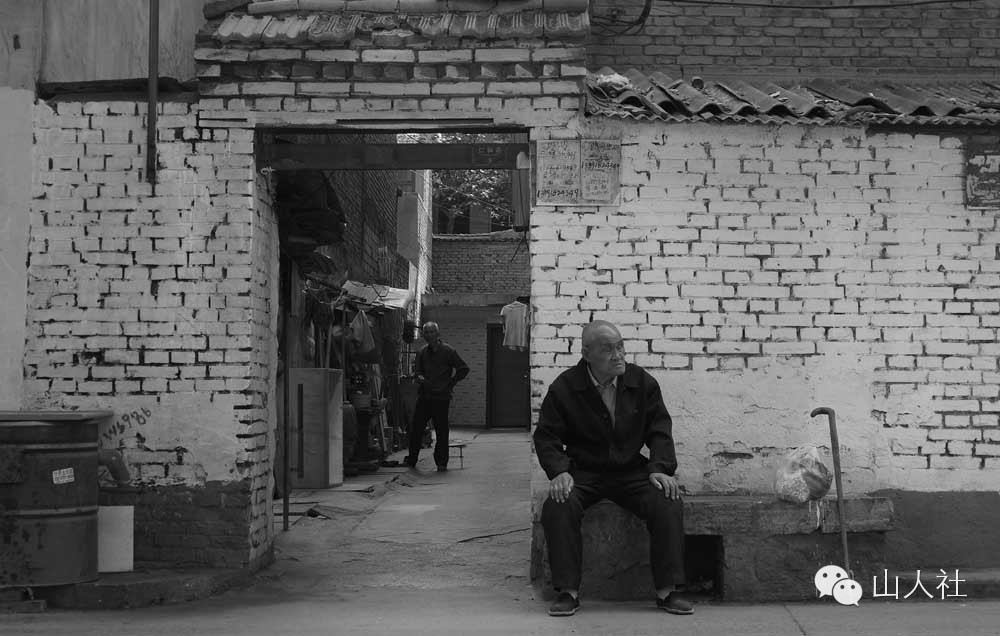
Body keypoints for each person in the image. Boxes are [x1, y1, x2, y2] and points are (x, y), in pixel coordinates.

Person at [533, 320, 693, 617]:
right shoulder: (565, 387)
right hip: (584, 473)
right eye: (608, 349)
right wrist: (559, 471)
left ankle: (668, 590)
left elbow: (659, 429)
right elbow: (547, 435)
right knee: (558, 505)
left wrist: (659, 468)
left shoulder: (641, 382)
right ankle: (567, 591)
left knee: (667, 500)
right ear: (586, 353)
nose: (618, 355)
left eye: (620, 346)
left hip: (631, 471)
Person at [404, 322, 469, 472]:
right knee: (416, 428)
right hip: (425, 396)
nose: (428, 335)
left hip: (441, 397)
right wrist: (420, 378)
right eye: (426, 332)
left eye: (431, 332)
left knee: (441, 430)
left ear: (437, 334)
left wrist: (451, 382)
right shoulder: (422, 352)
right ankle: (412, 459)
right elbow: (418, 371)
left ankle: (441, 462)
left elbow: (463, 368)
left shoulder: (448, 351)